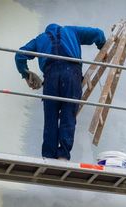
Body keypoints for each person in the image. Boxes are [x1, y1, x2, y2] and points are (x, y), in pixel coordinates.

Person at [15, 24, 107, 160]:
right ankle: (63, 155)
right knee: (68, 114)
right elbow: (98, 34)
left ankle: (48, 156)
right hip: (71, 73)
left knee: (50, 117)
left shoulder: (40, 39)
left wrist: (26, 73)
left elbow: (19, 55)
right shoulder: (71, 31)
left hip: (50, 75)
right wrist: (102, 48)